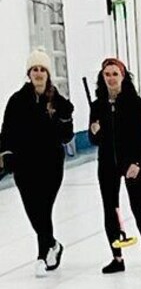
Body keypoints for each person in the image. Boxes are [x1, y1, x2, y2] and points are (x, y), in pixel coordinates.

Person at [0, 49, 74, 277]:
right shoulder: (17, 100)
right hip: (24, 165)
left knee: (43, 209)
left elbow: (66, 136)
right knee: (34, 212)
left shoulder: (56, 100)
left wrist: (65, 117)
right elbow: (6, 131)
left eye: (42, 69)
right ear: (29, 73)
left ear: (48, 74)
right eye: (35, 69)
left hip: (51, 165)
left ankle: (42, 257)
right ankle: (53, 243)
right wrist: (6, 153)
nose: (39, 73)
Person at [88, 58, 141, 273]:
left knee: (138, 207)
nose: (111, 78)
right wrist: (94, 132)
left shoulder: (135, 103)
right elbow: (94, 140)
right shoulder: (98, 105)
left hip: (132, 164)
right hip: (107, 164)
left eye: (114, 74)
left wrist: (138, 162)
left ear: (123, 76)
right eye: (107, 74)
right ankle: (117, 258)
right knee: (110, 208)